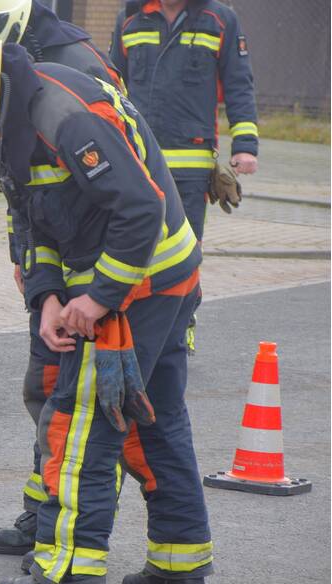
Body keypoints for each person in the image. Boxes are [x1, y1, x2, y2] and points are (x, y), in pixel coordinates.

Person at [0, 36, 213, 584]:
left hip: (139, 284)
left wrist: (98, 298)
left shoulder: (63, 118)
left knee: (83, 424)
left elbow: (139, 209)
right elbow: (36, 217)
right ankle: (179, 567)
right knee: (155, 420)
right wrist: (47, 295)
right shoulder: (22, 113)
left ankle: (71, 572)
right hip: (156, 277)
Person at [0, 0, 127, 560]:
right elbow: (20, 174)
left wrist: (89, 290)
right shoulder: (11, 66)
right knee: (46, 391)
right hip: (57, 264)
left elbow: (115, 187)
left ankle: (73, 527)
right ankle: (43, 514)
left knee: (83, 410)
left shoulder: (71, 68)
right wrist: (36, 269)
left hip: (100, 274)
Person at [110, 0, 259, 351]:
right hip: (137, 162)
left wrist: (245, 144)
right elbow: (112, 84)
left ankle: (181, 328)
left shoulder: (219, 20)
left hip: (190, 166)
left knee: (186, 254)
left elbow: (238, 83)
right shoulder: (130, 19)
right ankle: (132, 327)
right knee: (134, 246)